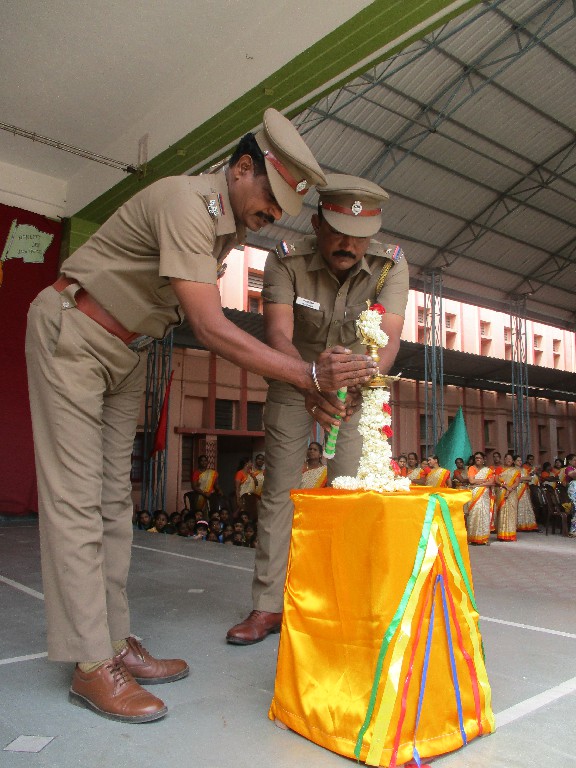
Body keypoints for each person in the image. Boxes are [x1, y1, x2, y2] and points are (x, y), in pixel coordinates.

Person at [25, 108, 378, 723]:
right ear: (241, 168)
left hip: (126, 352)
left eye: (279, 212)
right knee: (76, 501)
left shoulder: (227, 226)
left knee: (113, 502)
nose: (269, 218)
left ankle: (112, 641)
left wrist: (312, 382)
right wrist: (309, 375)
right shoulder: (186, 203)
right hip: (75, 335)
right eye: (268, 204)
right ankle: (90, 665)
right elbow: (210, 327)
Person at [226, 173, 409, 645]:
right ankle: (268, 607)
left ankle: (350, 601)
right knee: (280, 493)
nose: (349, 244)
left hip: (355, 386)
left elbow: (387, 343)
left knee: (352, 491)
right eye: (339, 231)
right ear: (317, 224)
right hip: (293, 377)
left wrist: (353, 384)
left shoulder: (390, 265)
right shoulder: (286, 260)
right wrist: (310, 383)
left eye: (360, 236)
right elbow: (278, 335)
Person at [465, 452, 495, 545]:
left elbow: (491, 482)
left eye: (479, 458)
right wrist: (484, 480)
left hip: (484, 495)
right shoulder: (471, 468)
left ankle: (483, 538)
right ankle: (473, 538)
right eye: (476, 458)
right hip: (474, 494)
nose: (477, 459)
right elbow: (471, 481)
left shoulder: (488, 470)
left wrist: (479, 484)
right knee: (474, 514)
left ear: (483, 460)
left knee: (484, 514)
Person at [494, 453, 520, 542]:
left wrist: (509, 489)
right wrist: (505, 486)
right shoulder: (499, 469)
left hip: (512, 493)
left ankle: (511, 535)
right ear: (504, 459)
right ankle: (501, 535)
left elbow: (517, 482)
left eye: (510, 459)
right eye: (507, 458)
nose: (508, 460)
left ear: (512, 461)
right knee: (501, 512)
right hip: (501, 492)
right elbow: (496, 480)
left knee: (511, 513)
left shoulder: (516, 471)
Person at [515, 455, 539, 531]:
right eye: (518, 460)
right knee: (517, 506)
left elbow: (529, 479)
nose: (520, 462)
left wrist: (520, 479)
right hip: (516, 489)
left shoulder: (524, 470)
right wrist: (523, 479)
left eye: (520, 460)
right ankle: (517, 525)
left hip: (524, 490)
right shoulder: (512, 470)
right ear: (514, 462)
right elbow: (514, 479)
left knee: (526, 507)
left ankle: (527, 524)